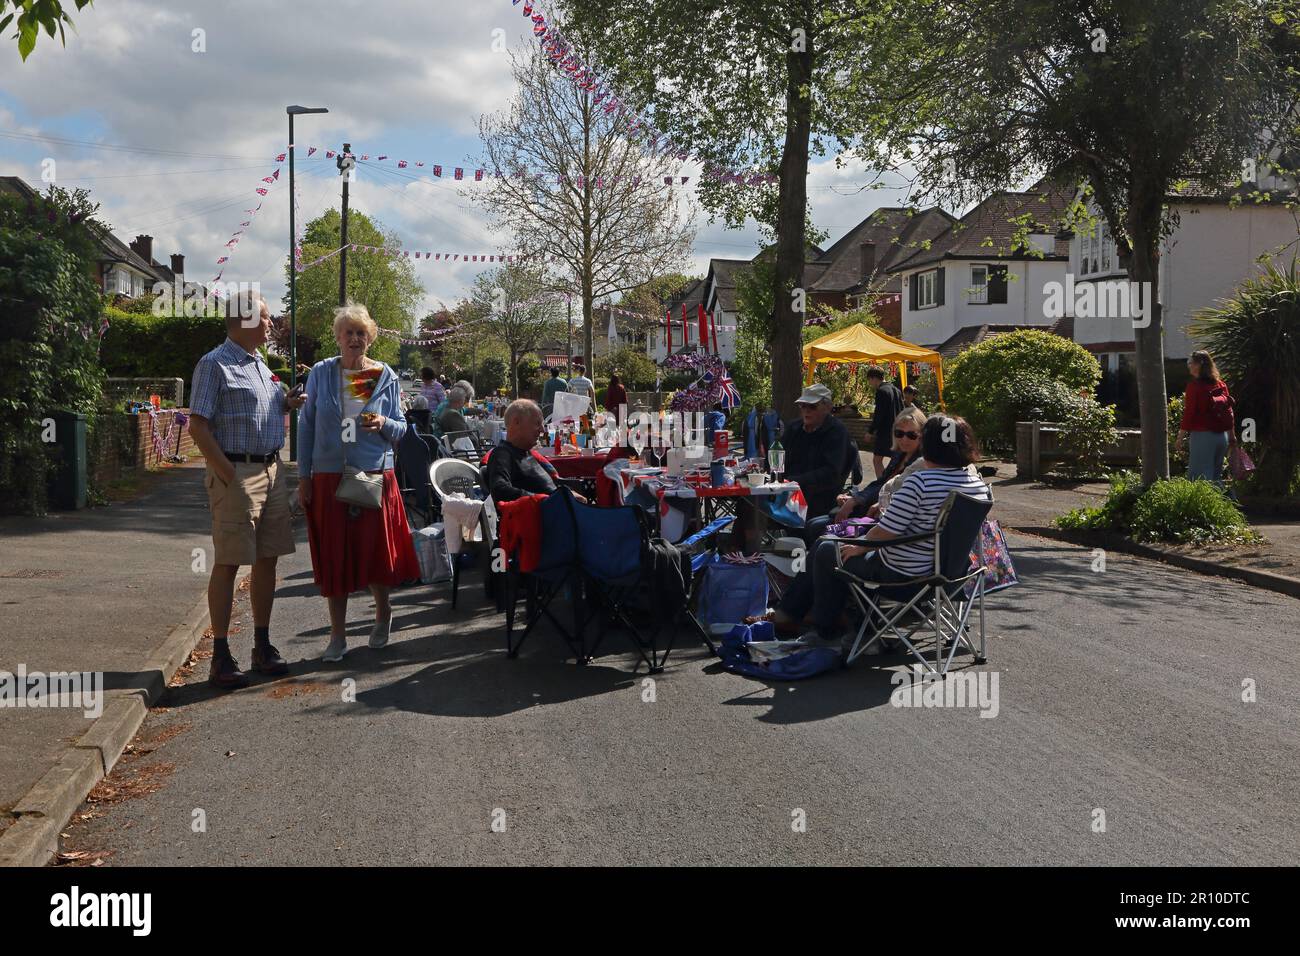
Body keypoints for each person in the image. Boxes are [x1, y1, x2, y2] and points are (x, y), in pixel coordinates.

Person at [773, 414, 991, 646]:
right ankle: (853, 623)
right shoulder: (977, 485)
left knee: (827, 547)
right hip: (955, 576)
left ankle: (822, 629)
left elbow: (887, 531)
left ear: (927, 446)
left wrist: (859, 546)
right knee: (837, 545)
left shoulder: (920, 482)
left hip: (906, 575)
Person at [188, 290, 306, 689]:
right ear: (244, 320)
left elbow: (261, 410)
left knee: (268, 558)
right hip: (237, 471)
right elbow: (198, 426)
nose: (271, 323)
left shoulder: (260, 364)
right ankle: (220, 656)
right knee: (229, 561)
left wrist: (286, 404)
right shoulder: (214, 364)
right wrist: (226, 473)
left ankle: (262, 644)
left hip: (271, 470)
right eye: (266, 317)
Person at [297, 303, 420, 663]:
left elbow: (402, 429)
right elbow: (305, 425)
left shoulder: (386, 376)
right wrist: (304, 476)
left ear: (370, 338)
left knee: (375, 552)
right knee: (335, 556)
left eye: (361, 333)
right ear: (337, 337)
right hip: (328, 475)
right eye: (348, 332)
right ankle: (338, 635)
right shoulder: (320, 373)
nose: (354, 338)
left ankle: (383, 615)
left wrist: (383, 423)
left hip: (373, 473)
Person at [831, 406, 927, 522]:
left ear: (922, 435)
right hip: (870, 510)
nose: (904, 439)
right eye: (899, 433)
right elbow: (881, 482)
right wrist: (854, 497)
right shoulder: (900, 454)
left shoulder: (923, 462)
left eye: (911, 435)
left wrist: (861, 500)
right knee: (816, 523)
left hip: (886, 519)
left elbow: (903, 495)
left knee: (818, 527)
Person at [487, 399, 587, 504]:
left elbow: (550, 485)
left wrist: (568, 493)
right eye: (537, 423)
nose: (542, 430)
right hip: (542, 516)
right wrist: (548, 499)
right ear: (516, 422)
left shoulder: (527, 453)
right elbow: (500, 490)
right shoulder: (503, 454)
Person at [782, 383, 850, 522]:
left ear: (828, 407)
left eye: (812, 406)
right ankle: (741, 544)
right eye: (803, 406)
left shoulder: (836, 432)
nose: (806, 411)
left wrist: (796, 481)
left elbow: (831, 472)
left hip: (817, 495)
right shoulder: (793, 428)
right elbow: (776, 455)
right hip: (784, 489)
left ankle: (794, 541)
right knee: (749, 502)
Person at [1178, 349, 1236, 487]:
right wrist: (1232, 436)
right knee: (1216, 477)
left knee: (1199, 479)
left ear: (1198, 365)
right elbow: (1229, 411)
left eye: (1191, 362)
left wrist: (1180, 436)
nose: (1189, 366)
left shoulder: (1194, 387)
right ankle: (1224, 505)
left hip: (1202, 436)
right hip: (1221, 437)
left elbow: (1189, 413)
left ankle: (1201, 508)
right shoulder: (1221, 385)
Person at [866, 367, 905, 479]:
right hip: (898, 431)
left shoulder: (881, 391)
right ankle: (892, 483)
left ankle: (881, 485)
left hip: (885, 432)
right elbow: (902, 410)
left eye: (869, 380)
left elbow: (879, 414)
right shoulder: (896, 390)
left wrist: (870, 431)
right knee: (896, 461)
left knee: (877, 460)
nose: (870, 383)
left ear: (874, 378)